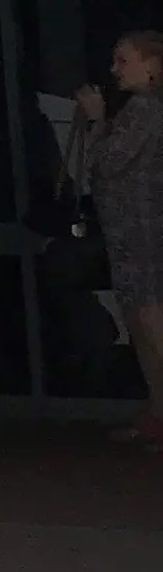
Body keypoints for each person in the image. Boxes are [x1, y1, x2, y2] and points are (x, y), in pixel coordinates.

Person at [66, 29, 163, 450]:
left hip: (142, 232)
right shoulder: (139, 109)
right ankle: (158, 415)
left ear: (152, 65)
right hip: (130, 233)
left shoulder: (145, 109)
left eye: (123, 60)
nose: (113, 70)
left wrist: (96, 119)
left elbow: (107, 163)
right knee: (140, 326)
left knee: (149, 323)